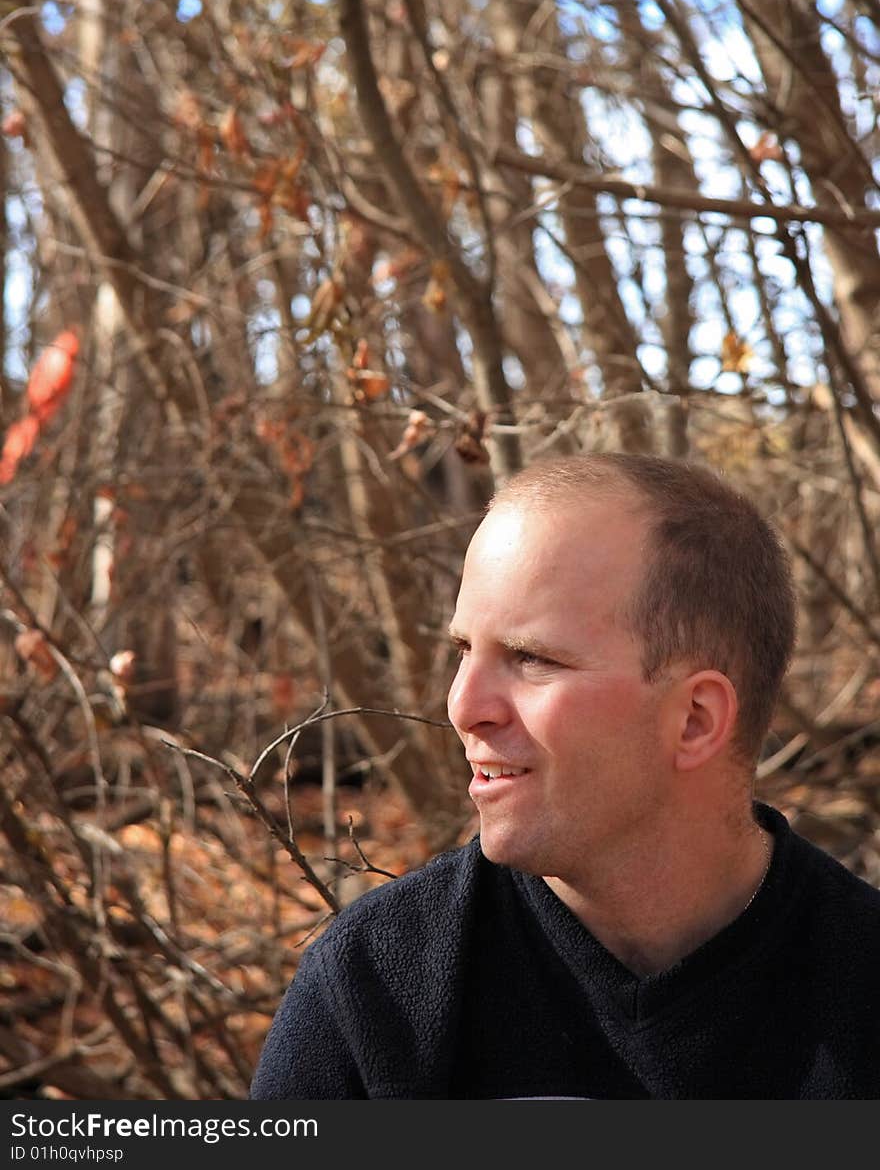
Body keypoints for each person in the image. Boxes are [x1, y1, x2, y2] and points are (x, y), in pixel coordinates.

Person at [250, 452, 880, 1099]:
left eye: (531, 659)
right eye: (465, 651)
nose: (464, 707)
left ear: (694, 719)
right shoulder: (376, 985)